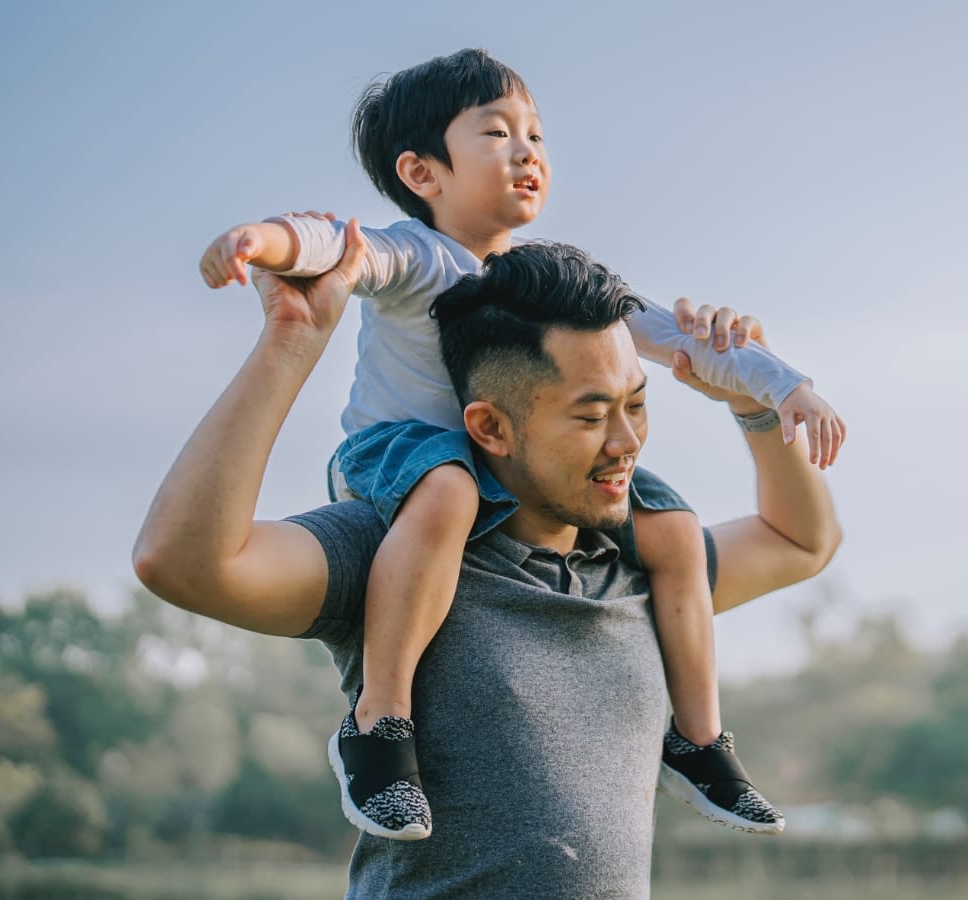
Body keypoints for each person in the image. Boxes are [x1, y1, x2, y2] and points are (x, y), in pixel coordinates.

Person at [195, 49, 845, 839]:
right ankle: (379, 726)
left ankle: (700, 740)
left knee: (671, 525)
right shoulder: (414, 255)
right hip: (397, 458)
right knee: (448, 488)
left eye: (535, 134)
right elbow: (332, 244)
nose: (529, 150)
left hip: (502, 475)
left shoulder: (554, 287)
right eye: (497, 133)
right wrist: (261, 241)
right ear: (423, 172)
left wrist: (782, 388)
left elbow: (676, 336)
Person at [134, 231, 842, 896]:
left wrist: (754, 403)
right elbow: (181, 561)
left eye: (636, 404)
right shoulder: (399, 553)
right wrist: (288, 346)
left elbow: (802, 541)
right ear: (491, 427)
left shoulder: (643, 564)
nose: (627, 442)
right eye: (592, 416)